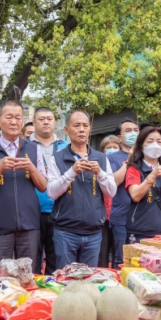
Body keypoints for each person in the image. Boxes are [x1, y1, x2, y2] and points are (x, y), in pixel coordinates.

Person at [0, 100, 47, 275]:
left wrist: (31, 168)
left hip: (29, 224)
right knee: (1, 276)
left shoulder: (34, 149)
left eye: (18, 118)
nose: (14, 122)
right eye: (9, 117)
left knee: (28, 275)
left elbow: (43, 186)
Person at [46, 110, 117, 269]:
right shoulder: (57, 159)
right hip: (65, 232)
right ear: (66, 130)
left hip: (93, 232)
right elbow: (51, 192)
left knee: (88, 281)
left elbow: (111, 192)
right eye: (76, 125)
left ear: (90, 129)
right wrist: (72, 171)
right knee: (65, 280)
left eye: (85, 125)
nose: (81, 129)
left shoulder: (100, 158)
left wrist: (100, 173)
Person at [29, 106, 69, 273]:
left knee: (56, 259)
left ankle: (52, 296)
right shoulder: (24, 146)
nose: (46, 122)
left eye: (49, 119)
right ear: (33, 122)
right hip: (31, 210)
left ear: (55, 122)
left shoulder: (66, 146)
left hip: (59, 210)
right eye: (41, 119)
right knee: (32, 260)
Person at [108, 119, 140, 268]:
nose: (133, 133)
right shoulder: (112, 158)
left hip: (142, 217)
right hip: (121, 217)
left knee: (141, 260)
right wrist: (130, 159)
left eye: (135, 130)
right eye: (128, 131)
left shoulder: (146, 156)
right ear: (119, 138)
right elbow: (114, 182)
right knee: (121, 261)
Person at [98, 135, 121, 267]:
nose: (112, 150)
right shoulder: (100, 164)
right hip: (104, 216)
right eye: (109, 147)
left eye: (115, 147)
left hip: (119, 214)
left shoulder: (124, 163)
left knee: (119, 253)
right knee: (102, 253)